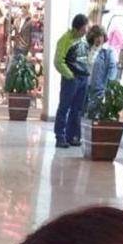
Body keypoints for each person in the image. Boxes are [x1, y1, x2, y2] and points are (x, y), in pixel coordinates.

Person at [53, 12, 90, 149]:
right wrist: (70, 75)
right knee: (64, 107)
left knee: (77, 109)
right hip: (71, 79)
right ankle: (60, 137)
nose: (86, 31)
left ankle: (72, 136)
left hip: (83, 78)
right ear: (77, 28)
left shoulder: (83, 40)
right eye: (84, 28)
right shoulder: (65, 40)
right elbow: (58, 61)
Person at [87, 23, 119, 107]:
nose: (99, 38)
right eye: (96, 36)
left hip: (99, 90)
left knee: (94, 114)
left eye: (101, 36)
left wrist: (107, 88)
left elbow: (112, 71)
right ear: (92, 38)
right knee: (82, 115)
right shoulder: (87, 50)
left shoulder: (108, 52)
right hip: (85, 87)